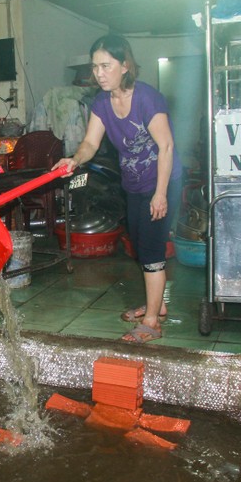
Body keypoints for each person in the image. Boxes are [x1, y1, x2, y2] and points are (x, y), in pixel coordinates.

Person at [53, 34, 182, 343]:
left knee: (151, 250)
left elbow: (166, 146)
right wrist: (74, 160)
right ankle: (157, 304)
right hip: (134, 184)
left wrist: (161, 194)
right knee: (138, 244)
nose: (99, 73)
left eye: (106, 65)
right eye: (95, 66)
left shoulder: (148, 99)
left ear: (125, 66)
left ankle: (152, 322)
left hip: (162, 181)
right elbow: (90, 143)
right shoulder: (101, 103)